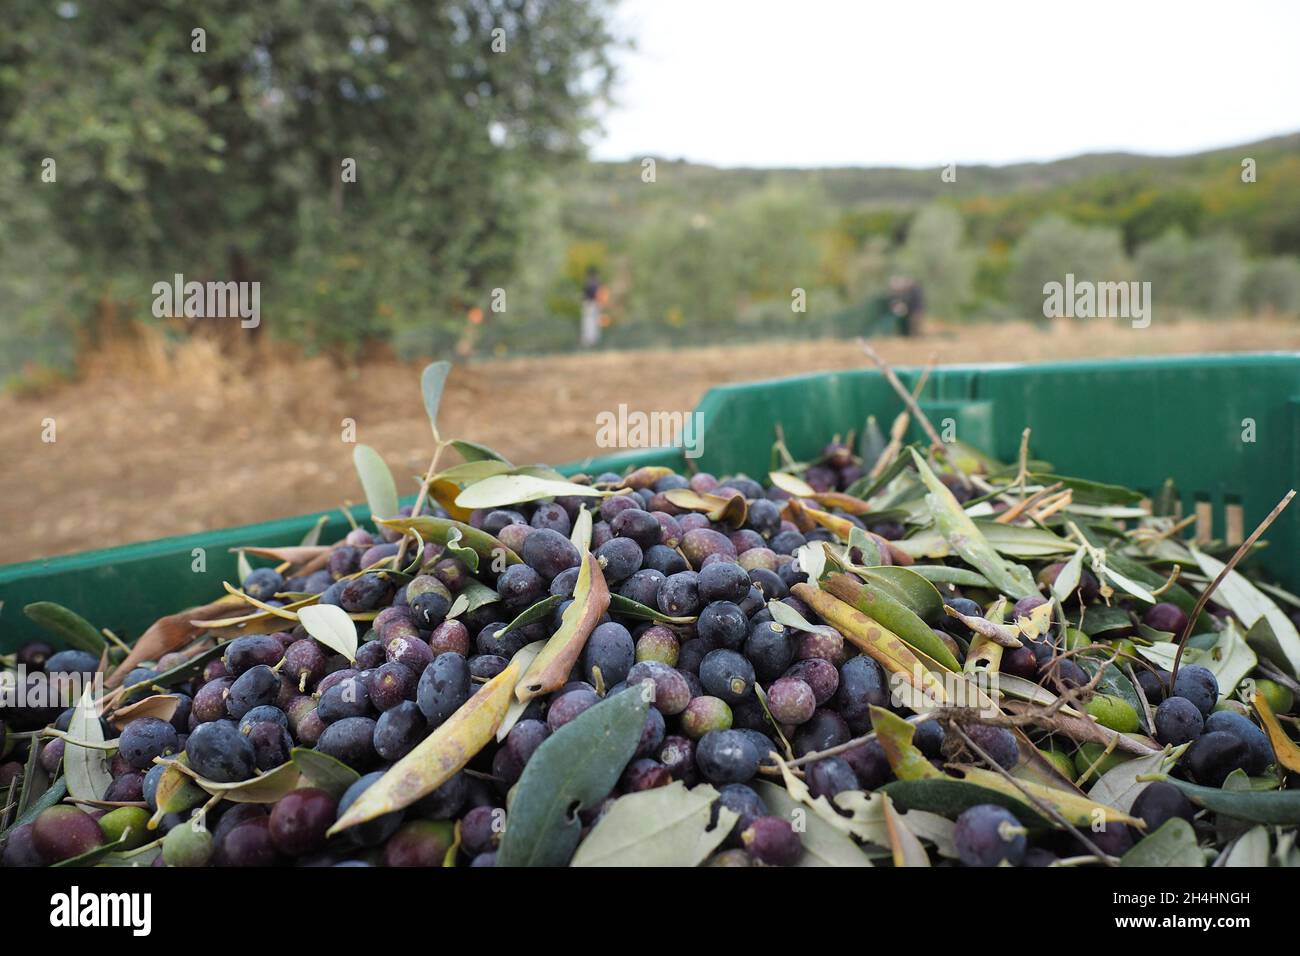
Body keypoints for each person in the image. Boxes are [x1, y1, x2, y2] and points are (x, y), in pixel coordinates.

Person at [580, 267, 602, 347]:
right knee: (592, 323)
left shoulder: (590, 283)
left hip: (590, 305)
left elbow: (586, 296)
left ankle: (590, 341)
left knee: (589, 323)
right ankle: (591, 341)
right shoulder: (595, 283)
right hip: (593, 305)